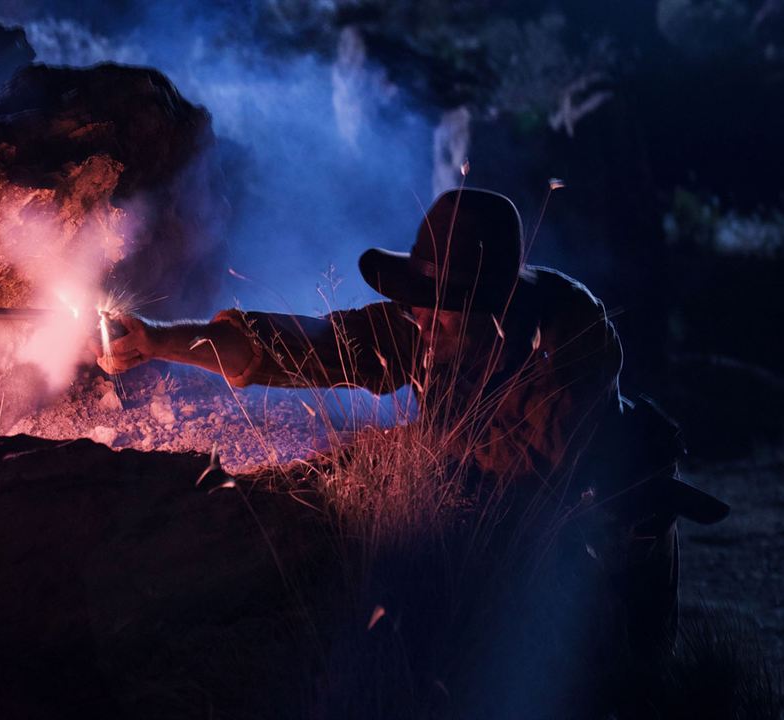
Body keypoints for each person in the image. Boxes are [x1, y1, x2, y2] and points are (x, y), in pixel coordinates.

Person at [94, 187, 728, 661]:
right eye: (423, 304)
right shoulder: (431, 315)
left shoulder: (568, 349)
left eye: (445, 311)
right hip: (519, 544)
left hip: (602, 552)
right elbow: (308, 345)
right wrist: (157, 341)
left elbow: (514, 484)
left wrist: (354, 466)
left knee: (617, 686)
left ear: (493, 309)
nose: (423, 320)